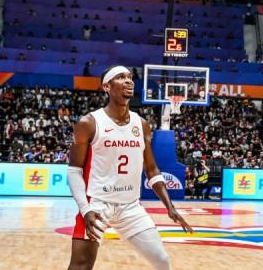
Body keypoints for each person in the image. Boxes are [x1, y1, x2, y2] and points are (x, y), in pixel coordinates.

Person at [67, 65, 193, 270]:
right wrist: (85, 209)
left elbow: (151, 170)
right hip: (98, 203)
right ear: (106, 86)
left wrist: (170, 207)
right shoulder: (89, 122)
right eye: (120, 77)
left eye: (130, 77)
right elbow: (74, 171)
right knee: (81, 265)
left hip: (130, 206)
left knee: (162, 261)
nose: (129, 81)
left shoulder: (141, 124)